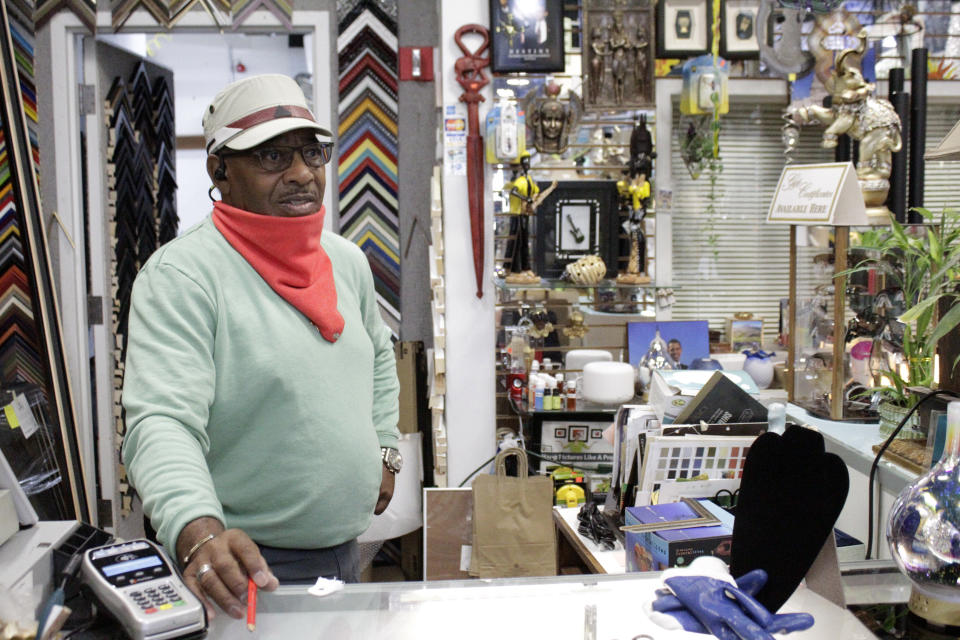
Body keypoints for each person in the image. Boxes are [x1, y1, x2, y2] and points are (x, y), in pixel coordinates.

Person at [121, 74, 401, 621]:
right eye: (272, 157)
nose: (301, 173)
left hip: (344, 552)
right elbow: (161, 422)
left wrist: (385, 450)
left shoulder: (344, 261)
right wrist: (198, 533)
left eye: (311, 153)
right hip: (247, 566)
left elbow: (379, 360)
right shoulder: (184, 276)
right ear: (220, 171)